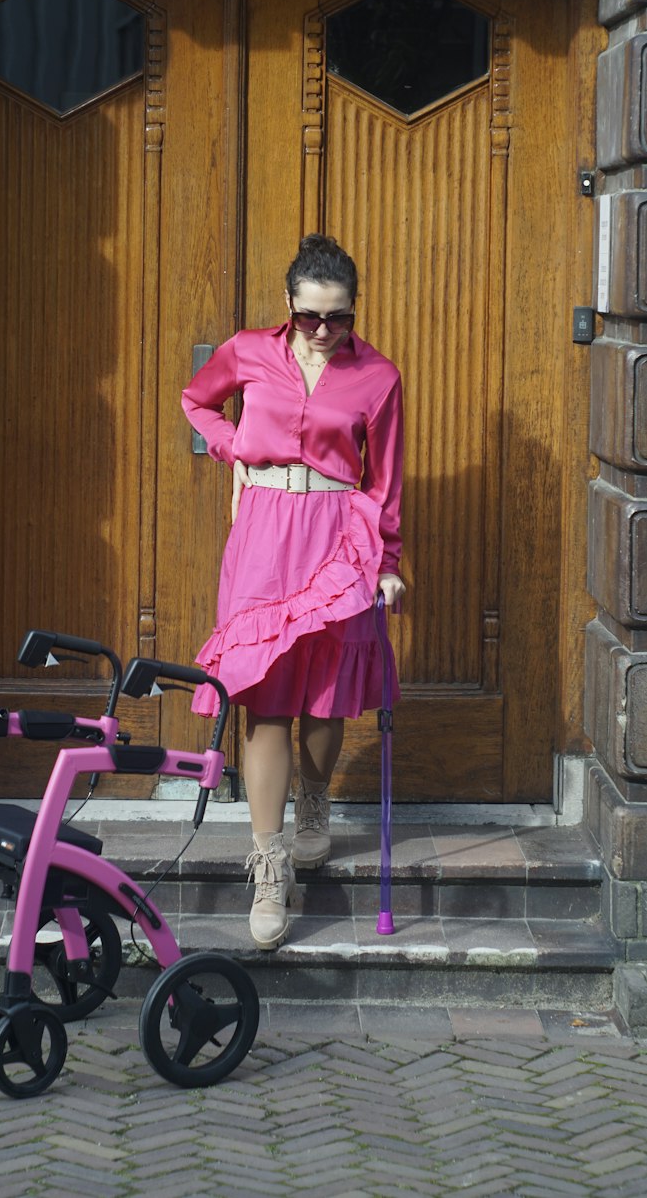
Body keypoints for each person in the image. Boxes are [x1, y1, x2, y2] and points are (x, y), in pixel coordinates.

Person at [181, 233, 405, 950]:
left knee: (327, 692)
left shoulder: (379, 376)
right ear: (288, 306)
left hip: (339, 534)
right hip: (264, 533)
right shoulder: (249, 351)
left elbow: (385, 478)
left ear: (352, 311)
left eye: (337, 318)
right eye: (310, 316)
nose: (322, 331)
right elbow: (197, 402)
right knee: (266, 700)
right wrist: (234, 447)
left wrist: (388, 560)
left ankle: (316, 801)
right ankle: (269, 865)